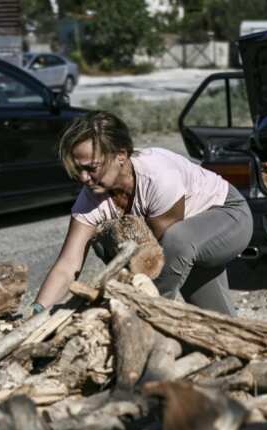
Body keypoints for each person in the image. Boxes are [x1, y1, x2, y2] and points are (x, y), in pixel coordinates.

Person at [30, 111, 253, 316]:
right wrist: (38, 310)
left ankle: (147, 316)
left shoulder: (158, 176)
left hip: (228, 217)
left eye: (91, 168)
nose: (83, 178)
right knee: (218, 322)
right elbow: (68, 263)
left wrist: (130, 309)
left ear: (121, 155)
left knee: (176, 241)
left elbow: (157, 255)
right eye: (78, 169)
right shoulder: (91, 198)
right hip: (188, 241)